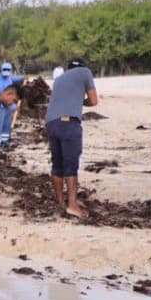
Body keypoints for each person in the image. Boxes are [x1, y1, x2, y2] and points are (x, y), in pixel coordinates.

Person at [44, 58, 98, 218]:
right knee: (71, 165)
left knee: (57, 165)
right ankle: (73, 205)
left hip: (51, 123)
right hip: (68, 122)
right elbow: (94, 101)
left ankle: (61, 204)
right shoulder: (85, 72)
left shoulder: (59, 79)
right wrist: (81, 102)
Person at [0, 61, 24, 148]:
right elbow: (0, 97)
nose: (6, 74)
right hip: (0, 107)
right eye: (4, 71)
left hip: (8, 107)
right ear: (1, 71)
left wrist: (24, 78)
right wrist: (12, 106)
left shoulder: (9, 78)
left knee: (7, 125)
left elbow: (15, 78)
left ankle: (4, 141)